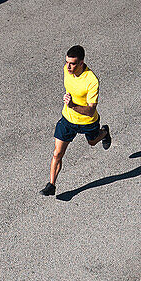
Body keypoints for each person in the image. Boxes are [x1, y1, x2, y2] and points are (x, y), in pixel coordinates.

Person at [41, 45, 111, 196]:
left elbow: (91, 109)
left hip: (87, 121)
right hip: (68, 120)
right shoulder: (66, 69)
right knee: (57, 154)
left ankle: (104, 132)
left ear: (81, 63)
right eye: (67, 62)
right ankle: (51, 185)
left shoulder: (92, 80)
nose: (68, 66)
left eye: (73, 63)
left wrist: (72, 105)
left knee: (92, 142)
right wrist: (70, 105)